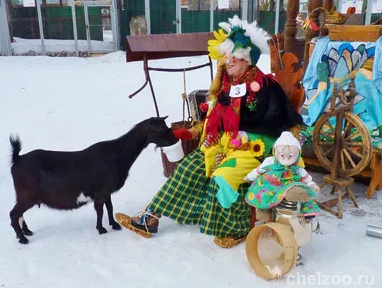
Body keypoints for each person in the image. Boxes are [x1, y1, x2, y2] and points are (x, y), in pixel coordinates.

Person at [116, 15, 304, 248]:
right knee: (187, 168)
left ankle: (238, 229)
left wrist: (288, 150)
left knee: (223, 178)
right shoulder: (228, 87)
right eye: (226, 56)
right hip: (221, 144)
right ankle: (149, 218)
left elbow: (289, 122)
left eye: (231, 55)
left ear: (246, 58)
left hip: (254, 148)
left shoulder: (267, 86)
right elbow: (212, 120)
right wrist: (193, 132)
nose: (227, 60)